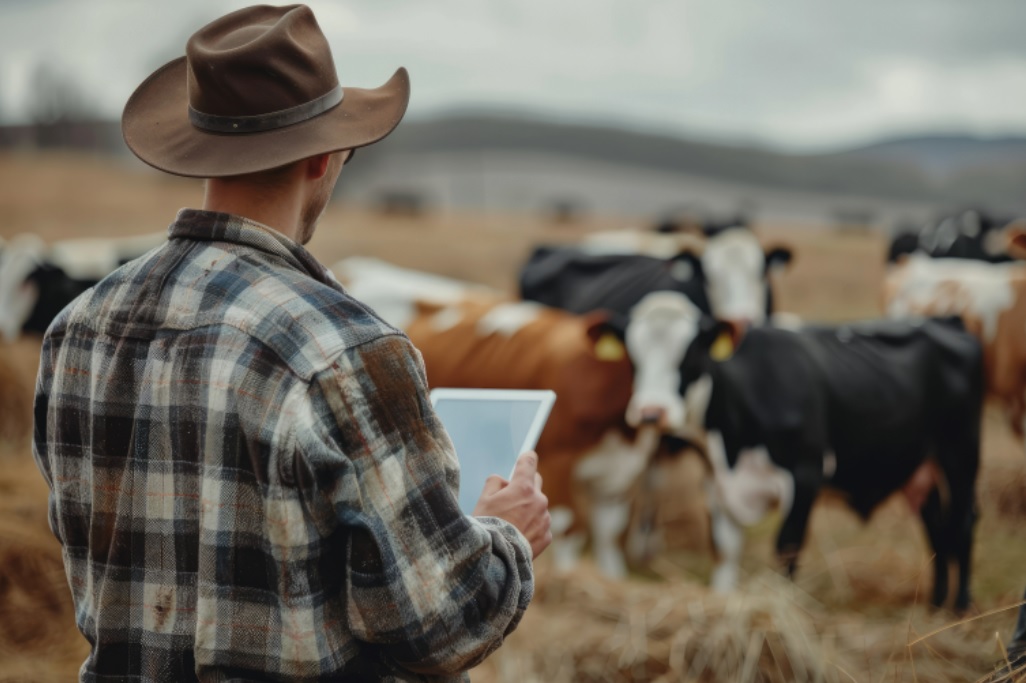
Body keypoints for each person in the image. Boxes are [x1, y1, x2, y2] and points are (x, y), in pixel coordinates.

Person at [32, 5, 550, 681]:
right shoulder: (349, 352)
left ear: (202, 148)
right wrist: (501, 534)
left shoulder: (75, 329)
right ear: (323, 158)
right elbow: (438, 626)